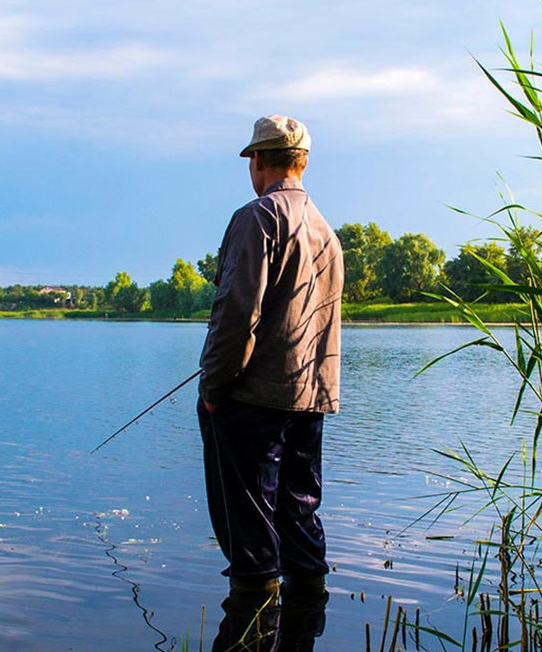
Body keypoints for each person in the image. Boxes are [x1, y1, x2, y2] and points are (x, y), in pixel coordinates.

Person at [197, 114, 343, 602]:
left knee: (252, 528)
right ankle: (306, 619)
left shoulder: (258, 217)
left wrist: (213, 390)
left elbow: (237, 312)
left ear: (256, 160)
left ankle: (251, 621)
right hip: (312, 398)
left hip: (254, 400)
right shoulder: (327, 232)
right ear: (302, 162)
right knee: (300, 513)